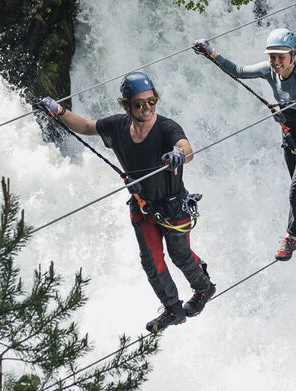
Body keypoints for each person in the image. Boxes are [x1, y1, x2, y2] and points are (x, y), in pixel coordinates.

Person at [38, 71, 215, 331]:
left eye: (152, 101)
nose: (147, 107)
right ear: (127, 105)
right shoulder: (117, 126)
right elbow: (87, 126)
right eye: (140, 103)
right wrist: (59, 111)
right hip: (143, 207)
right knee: (151, 261)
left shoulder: (167, 128)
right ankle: (173, 310)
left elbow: (186, 148)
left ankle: (203, 289)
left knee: (180, 256)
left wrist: (178, 154)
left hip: (173, 207)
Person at [193, 28, 296, 261]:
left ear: (293, 55)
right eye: (272, 56)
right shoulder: (268, 70)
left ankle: (292, 236)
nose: (276, 62)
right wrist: (211, 54)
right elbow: (238, 71)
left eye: (281, 57)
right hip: (290, 137)